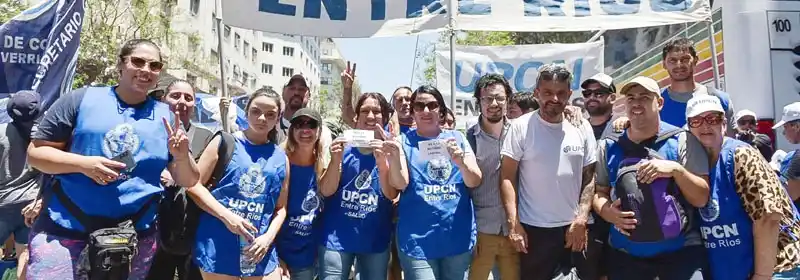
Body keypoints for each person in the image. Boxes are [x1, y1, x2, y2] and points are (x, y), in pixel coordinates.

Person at [26, 39, 199, 279]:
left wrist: (181, 156)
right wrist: (84, 165)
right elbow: (36, 154)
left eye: (154, 65)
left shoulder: (167, 117)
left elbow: (189, 179)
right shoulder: (80, 100)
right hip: (65, 229)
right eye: (138, 61)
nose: (146, 70)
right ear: (121, 64)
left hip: (133, 238)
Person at [593, 76, 710, 280]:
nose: (636, 103)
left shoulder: (681, 140)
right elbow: (599, 192)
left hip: (680, 254)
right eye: (631, 98)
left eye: (645, 97)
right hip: (625, 256)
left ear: (660, 102)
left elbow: (701, 198)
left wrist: (677, 171)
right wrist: (608, 212)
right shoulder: (608, 145)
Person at [500, 64, 599, 280]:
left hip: (575, 228)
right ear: (537, 93)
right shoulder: (520, 127)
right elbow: (507, 177)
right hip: (535, 231)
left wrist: (582, 218)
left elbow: (589, 177)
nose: (554, 98)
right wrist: (514, 224)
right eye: (547, 92)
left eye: (561, 93)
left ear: (569, 94)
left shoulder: (582, 127)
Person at [684, 95, 800, 280]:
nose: (705, 126)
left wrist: (762, 275)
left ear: (724, 124)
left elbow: (768, 216)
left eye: (712, 119)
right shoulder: (695, 162)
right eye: (697, 121)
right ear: (689, 127)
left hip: (778, 268)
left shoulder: (740, 155)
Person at [189, 87, 289, 280]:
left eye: (270, 114)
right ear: (247, 111)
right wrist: (227, 216)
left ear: (278, 118)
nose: (262, 118)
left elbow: (281, 208)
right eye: (256, 111)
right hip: (218, 246)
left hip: (259, 250)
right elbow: (194, 185)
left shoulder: (281, 157)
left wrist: (268, 238)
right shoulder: (225, 142)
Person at [390, 85, 482, 280]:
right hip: (417, 241)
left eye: (432, 105)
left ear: (440, 110)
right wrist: (394, 156)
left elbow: (474, 180)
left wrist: (461, 163)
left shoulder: (458, 138)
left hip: (456, 238)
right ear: (413, 111)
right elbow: (400, 184)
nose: (425, 110)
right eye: (419, 106)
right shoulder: (401, 142)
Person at [318, 92, 400, 280]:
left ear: (384, 117)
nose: (370, 116)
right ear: (356, 116)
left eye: (376, 111)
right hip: (336, 240)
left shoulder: (392, 151)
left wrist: (383, 164)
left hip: (375, 241)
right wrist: (335, 161)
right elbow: (326, 190)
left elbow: (391, 195)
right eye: (365, 111)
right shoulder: (342, 147)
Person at [146, 79, 214, 280]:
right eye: (175, 96)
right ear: (163, 99)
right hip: (152, 228)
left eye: (188, 97)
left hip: (192, 228)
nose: (182, 102)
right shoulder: (147, 132)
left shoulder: (206, 137)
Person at [613, 38, 735, 136]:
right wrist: (627, 122)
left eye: (685, 59)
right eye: (672, 60)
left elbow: (731, 144)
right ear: (664, 64)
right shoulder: (655, 102)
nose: (679, 65)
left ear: (695, 60)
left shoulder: (719, 99)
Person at [465, 74, 519, 280]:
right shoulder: (468, 138)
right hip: (481, 230)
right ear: (479, 102)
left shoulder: (521, 133)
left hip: (515, 229)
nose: (494, 104)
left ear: (508, 100)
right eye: (487, 98)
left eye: (499, 98)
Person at [276, 108, 327, 280]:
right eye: (299, 124)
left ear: (319, 131)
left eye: (311, 125)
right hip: (277, 254)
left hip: (307, 258)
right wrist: (274, 255)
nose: (305, 130)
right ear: (291, 130)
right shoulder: (278, 162)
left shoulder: (324, 167)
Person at [0, 90, 42, 280]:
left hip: (3, 203)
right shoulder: (44, 136)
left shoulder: (1, 132)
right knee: (24, 254)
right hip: (31, 205)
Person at [280, 74, 333, 166]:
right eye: (292, 88)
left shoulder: (322, 133)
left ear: (309, 95)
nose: (296, 92)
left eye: (302, 89)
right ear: (283, 93)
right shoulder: (271, 127)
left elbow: (325, 167)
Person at [775, 102, 800, 202]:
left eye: (785, 126)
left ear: (796, 127)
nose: (783, 132)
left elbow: (789, 196)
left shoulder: (798, 158)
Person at [582, 73, 618, 140]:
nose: (591, 97)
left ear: (612, 98)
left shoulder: (622, 126)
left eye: (599, 93)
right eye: (587, 93)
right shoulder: (579, 128)